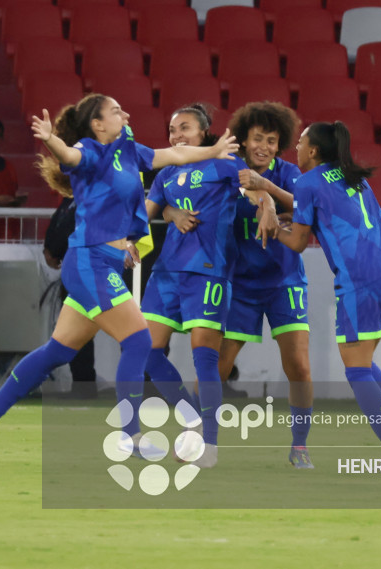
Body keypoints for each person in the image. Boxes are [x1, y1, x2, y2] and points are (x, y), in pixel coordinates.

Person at [0, 94, 240, 462]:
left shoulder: (130, 149)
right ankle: (131, 436)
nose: (125, 114)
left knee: (58, 352)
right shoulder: (91, 151)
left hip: (105, 263)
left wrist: (214, 151)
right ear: (98, 125)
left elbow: (173, 156)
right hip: (88, 261)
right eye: (116, 111)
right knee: (139, 341)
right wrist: (50, 139)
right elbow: (69, 156)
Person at [142, 103, 279, 468]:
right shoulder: (166, 172)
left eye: (185, 128)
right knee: (148, 351)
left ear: (204, 133)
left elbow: (253, 187)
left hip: (209, 271)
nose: (177, 136)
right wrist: (169, 212)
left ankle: (211, 445)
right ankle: (194, 419)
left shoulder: (222, 163)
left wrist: (266, 205)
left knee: (205, 357)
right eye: (172, 130)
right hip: (167, 271)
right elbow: (146, 212)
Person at [276, 122, 381, 472]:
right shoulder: (353, 176)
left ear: (314, 151)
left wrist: (271, 224)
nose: (297, 147)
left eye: (301, 142)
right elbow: (331, 214)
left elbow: (296, 242)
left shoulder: (306, 183)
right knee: (364, 359)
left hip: (360, 279)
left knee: (355, 371)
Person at [220, 101, 316, 468]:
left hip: (284, 281)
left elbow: (305, 210)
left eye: (272, 140)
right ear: (243, 141)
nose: (264, 146)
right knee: (218, 365)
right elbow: (244, 196)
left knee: (299, 366)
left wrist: (271, 194)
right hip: (239, 283)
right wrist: (268, 204)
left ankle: (301, 445)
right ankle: (200, 435)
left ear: (280, 145)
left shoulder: (290, 173)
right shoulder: (228, 169)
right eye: (257, 138)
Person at [43, 196, 97, 397]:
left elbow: (69, 228)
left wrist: (54, 249)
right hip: (78, 272)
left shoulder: (93, 194)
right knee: (76, 333)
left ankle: (141, 387)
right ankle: (84, 387)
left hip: (97, 270)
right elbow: (59, 224)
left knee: (130, 334)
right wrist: (49, 248)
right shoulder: (71, 199)